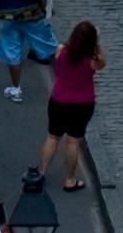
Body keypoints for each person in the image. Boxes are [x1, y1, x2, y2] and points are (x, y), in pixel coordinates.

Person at [40, 20, 103, 188]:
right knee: (73, 142)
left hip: (59, 99)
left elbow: (58, 66)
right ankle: (69, 179)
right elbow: (101, 64)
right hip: (83, 103)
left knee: (52, 136)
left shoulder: (61, 50)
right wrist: (96, 44)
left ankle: (42, 172)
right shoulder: (92, 59)